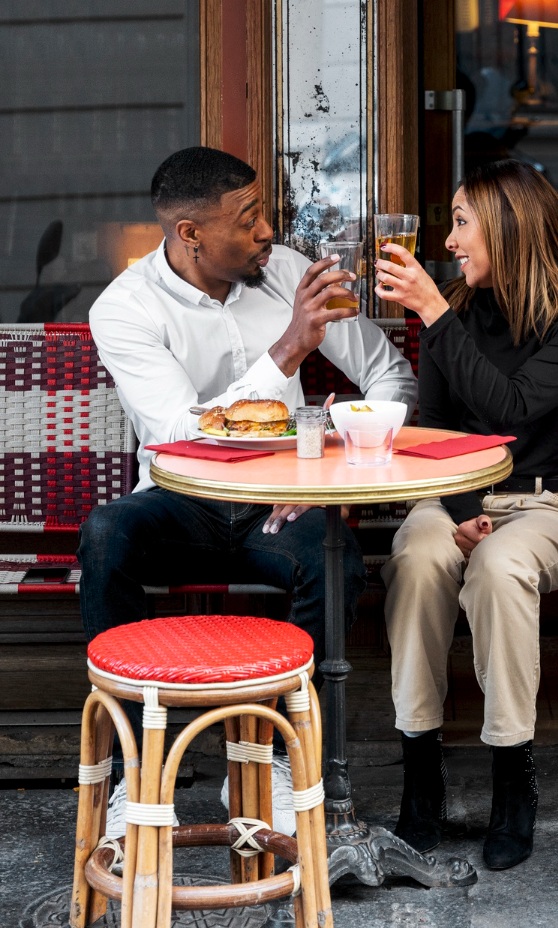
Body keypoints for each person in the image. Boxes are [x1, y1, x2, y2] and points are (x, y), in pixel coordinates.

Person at [80, 146, 417, 831]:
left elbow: (391, 376)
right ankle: (133, 777)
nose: (270, 231)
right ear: (190, 234)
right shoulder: (125, 308)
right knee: (106, 534)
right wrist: (288, 350)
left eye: (264, 210)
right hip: (179, 505)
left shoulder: (290, 272)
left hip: (280, 502)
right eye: (250, 217)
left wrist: (336, 469)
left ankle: (277, 762)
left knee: (336, 559)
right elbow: (177, 434)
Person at [374, 159, 558, 870]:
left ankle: (515, 779)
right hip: (457, 493)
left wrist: (436, 317)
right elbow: (439, 429)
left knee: (503, 564)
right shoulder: (456, 311)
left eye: (461, 223)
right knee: (418, 557)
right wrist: (461, 509)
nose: (449, 241)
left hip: (553, 506)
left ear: (508, 230)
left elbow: (510, 408)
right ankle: (421, 775)